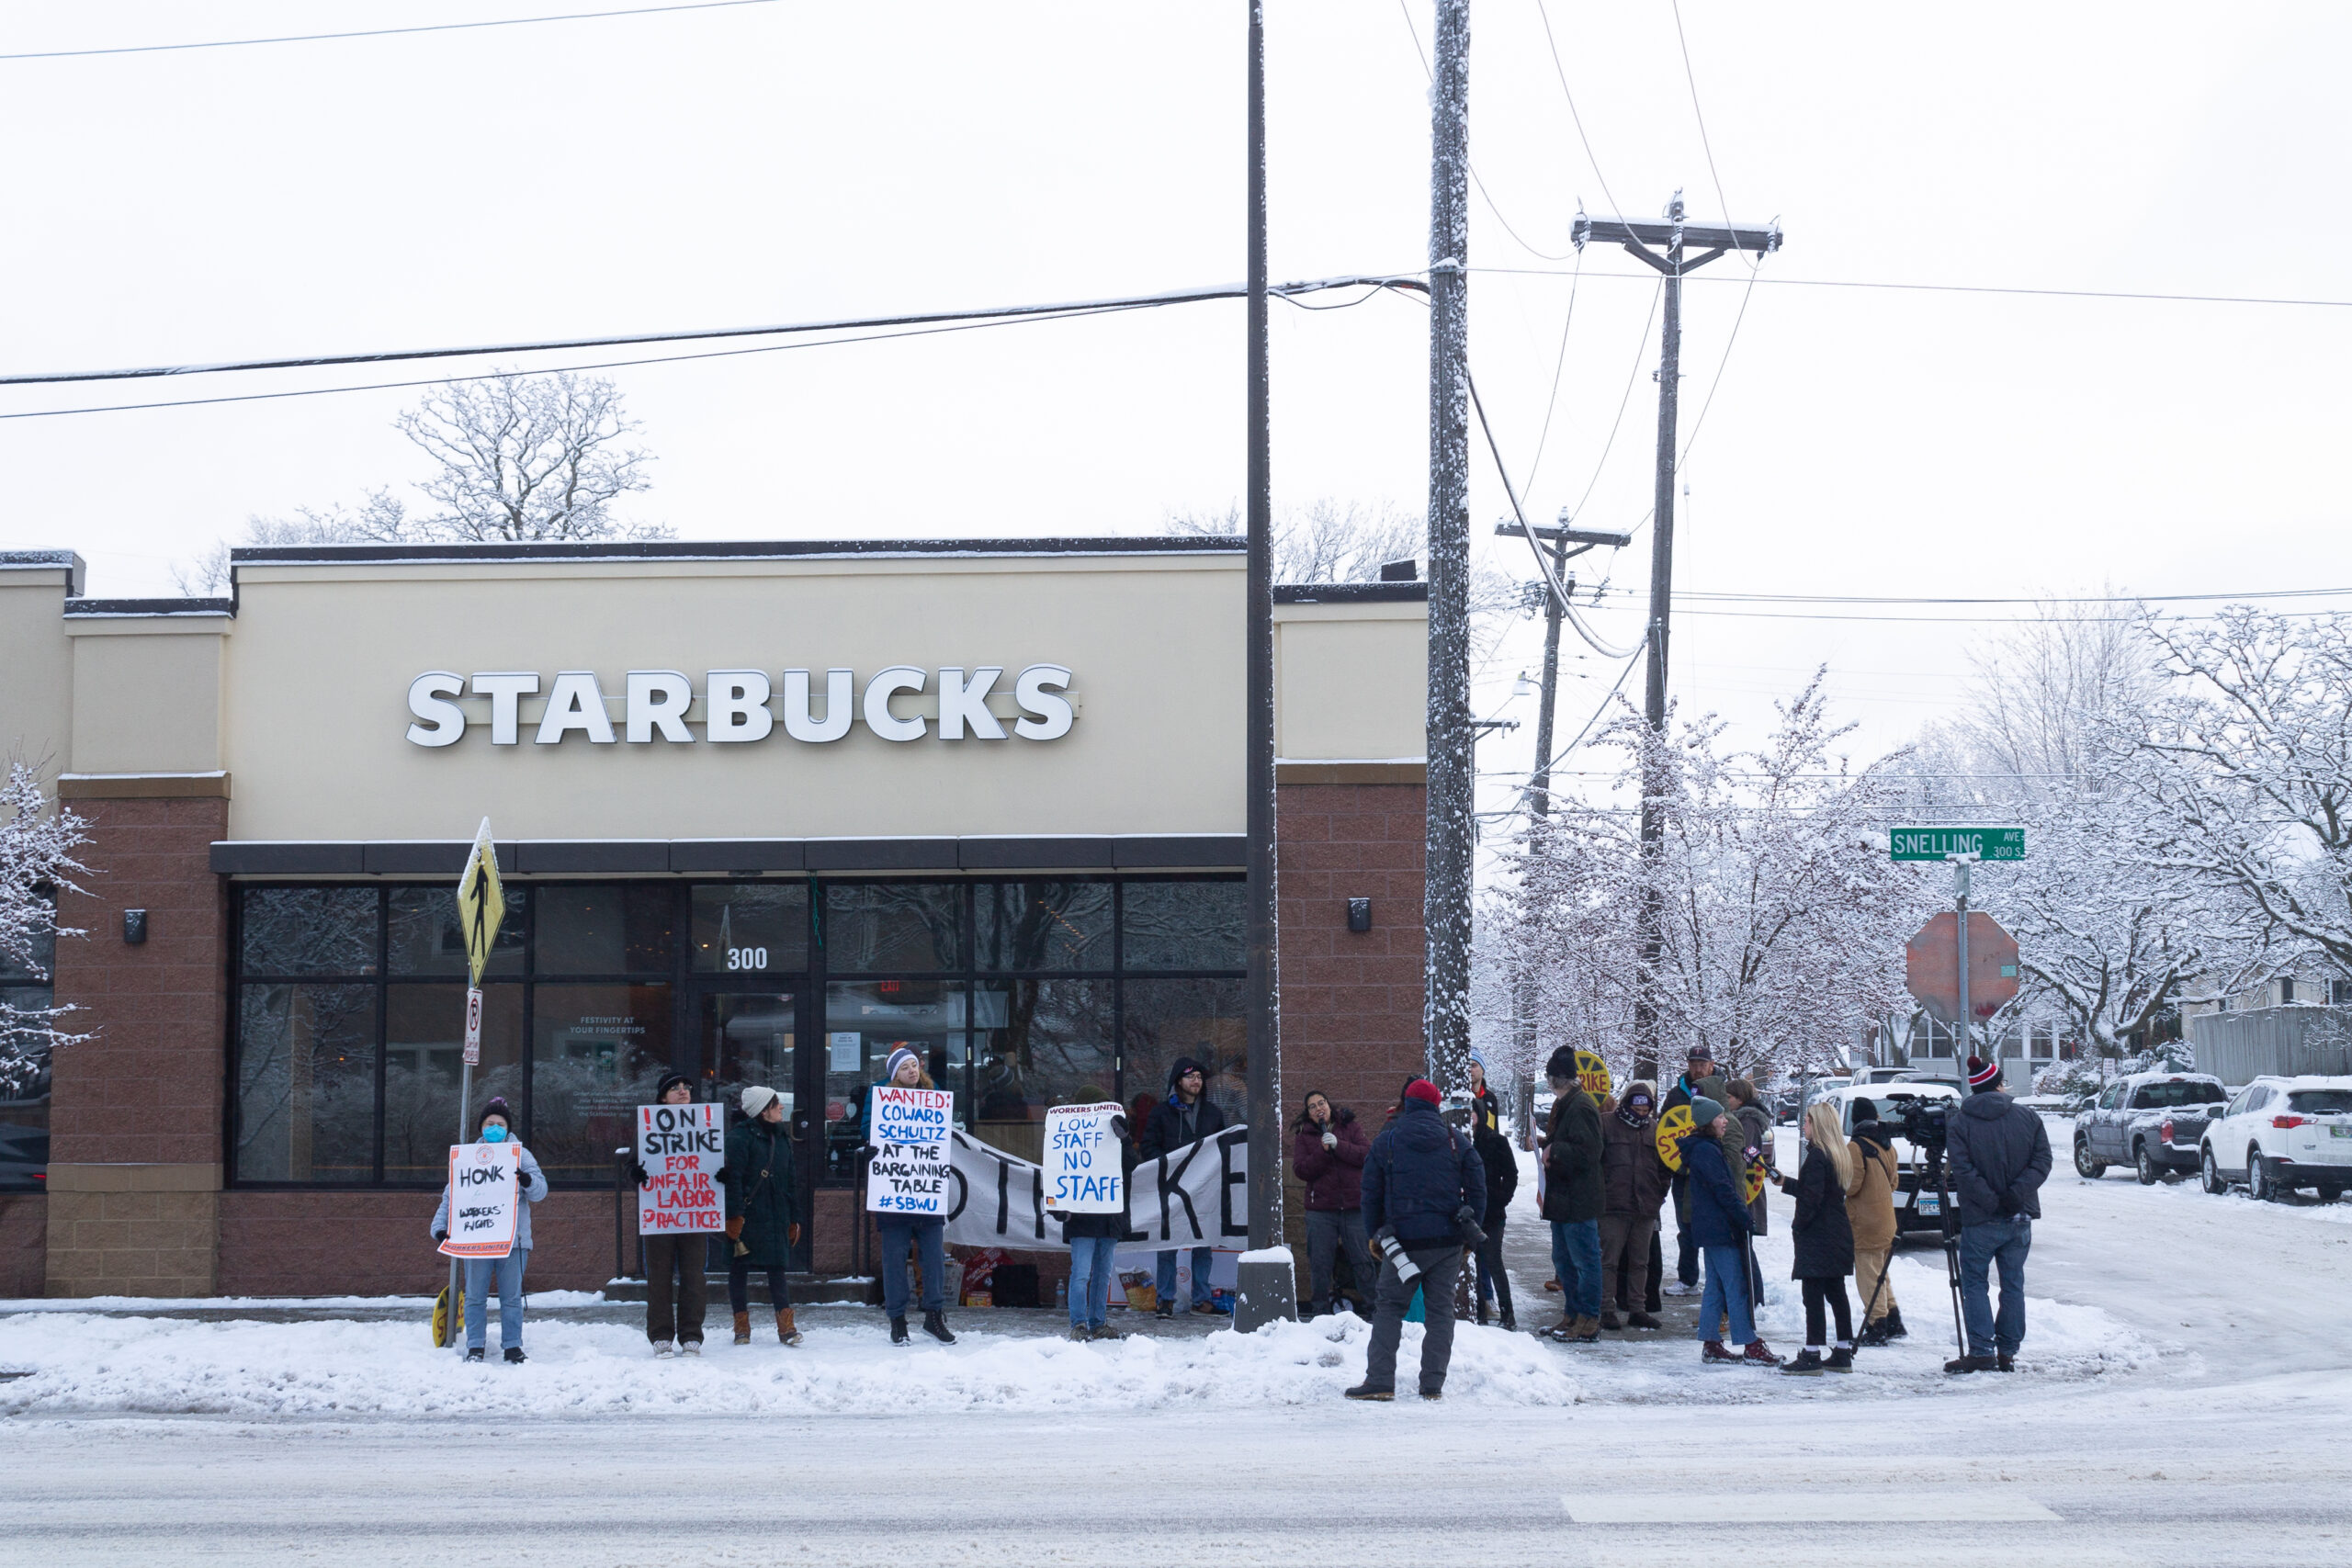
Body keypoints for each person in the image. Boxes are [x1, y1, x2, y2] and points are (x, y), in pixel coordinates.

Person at [1347, 1078, 1485, 1401]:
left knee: (1389, 1309)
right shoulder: (1455, 1139)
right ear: (1436, 1104)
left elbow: (1369, 1192)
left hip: (1402, 1244)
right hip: (1447, 1241)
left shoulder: (1388, 1140)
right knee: (1440, 1313)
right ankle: (1432, 1385)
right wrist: (1471, 1225)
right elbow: (1478, 1184)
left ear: (1406, 1103)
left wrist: (1375, 1234)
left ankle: (1380, 1381)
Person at [1946, 1055, 2052, 1373]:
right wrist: (2015, 1195)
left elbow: (1963, 1171)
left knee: (1975, 1283)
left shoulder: (1960, 1123)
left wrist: (1991, 1201)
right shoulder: (2028, 1117)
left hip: (1980, 1219)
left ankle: (1981, 1349)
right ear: (1999, 1084)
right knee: (2013, 1283)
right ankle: (2008, 1350)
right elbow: (2042, 1162)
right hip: (2019, 1218)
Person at [429, 1097, 545, 1364]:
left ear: (508, 1128)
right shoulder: (469, 1156)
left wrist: (526, 1180)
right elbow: (453, 1195)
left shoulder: (521, 1155)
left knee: (511, 1298)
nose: (494, 1128)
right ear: (481, 1127)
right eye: (490, 1123)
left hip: (512, 1241)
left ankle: (513, 1345)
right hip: (477, 1240)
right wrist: (440, 1227)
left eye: (500, 1124)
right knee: (475, 1297)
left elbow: (540, 1191)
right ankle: (475, 1346)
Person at [857, 1048, 956, 1346]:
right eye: (905, 1068)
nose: (912, 1071)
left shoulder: (934, 1095)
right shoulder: (881, 1097)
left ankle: (934, 1315)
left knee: (935, 1257)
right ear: (895, 1075)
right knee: (894, 1257)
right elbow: (866, 1127)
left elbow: (944, 1132)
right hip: (895, 1191)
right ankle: (897, 1319)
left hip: (925, 1191)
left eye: (915, 1065)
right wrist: (871, 1143)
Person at [1682, 1096, 1780, 1367]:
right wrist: (1743, 1216)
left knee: (1715, 1287)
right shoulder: (1707, 1151)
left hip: (1711, 1228)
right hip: (1720, 1228)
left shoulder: (1706, 1147)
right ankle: (1750, 1343)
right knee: (1737, 1286)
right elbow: (1723, 1189)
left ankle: (1711, 1342)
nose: (1726, 1120)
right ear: (1707, 1123)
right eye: (1720, 1117)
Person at [1137, 1055, 1227, 1318]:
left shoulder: (1213, 1114)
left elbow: (1223, 1148)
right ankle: (1165, 1299)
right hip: (1171, 1188)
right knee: (1167, 1243)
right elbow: (1148, 1146)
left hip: (1204, 1190)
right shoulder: (1160, 1112)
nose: (1196, 1081)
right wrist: (1168, 1165)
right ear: (1178, 1081)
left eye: (1199, 1077)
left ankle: (1202, 1299)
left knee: (1204, 1242)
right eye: (1191, 1077)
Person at [628, 1071, 711, 1356]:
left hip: (694, 1212)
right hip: (660, 1211)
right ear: (663, 1097)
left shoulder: (704, 1124)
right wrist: (635, 1171)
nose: (682, 1091)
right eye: (674, 1088)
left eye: (686, 1086)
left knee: (693, 1276)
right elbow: (633, 1162)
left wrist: (721, 1174)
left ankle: (691, 1334)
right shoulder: (648, 1127)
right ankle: (661, 1335)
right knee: (659, 1276)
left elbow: (712, 1162)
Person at [1773, 1101, 1857, 1374]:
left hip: (1818, 1236)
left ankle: (1811, 1354)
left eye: (1807, 1121)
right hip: (1837, 1233)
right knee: (1836, 1292)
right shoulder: (1837, 1154)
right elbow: (1820, 1191)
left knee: (1813, 1295)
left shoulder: (1817, 1156)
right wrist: (1786, 1183)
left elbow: (1812, 1199)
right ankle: (1843, 1351)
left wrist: (1799, 1226)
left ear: (1817, 1124)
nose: (1803, 1126)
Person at [722, 1083, 803, 1347]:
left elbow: (791, 1180)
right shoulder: (738, 1138)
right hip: (748, 1215)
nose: (781, 1107)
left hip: (777, 1212)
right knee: (739, 1269)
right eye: (775, 1103)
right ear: (762, 1111)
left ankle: (786, 1327)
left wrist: (794, 1217)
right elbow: (733, 1180)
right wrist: (734, 1215)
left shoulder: (781, 1136)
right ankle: (741, 1327)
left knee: (777, 1268)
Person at [1536, 1046, 1604, 1344]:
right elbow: (1570, 1142)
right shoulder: (1568, 1104)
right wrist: (1544, 1142)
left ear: (1554, 1079)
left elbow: (1590, 1151)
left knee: (1584, 1263)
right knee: (1564, 1262)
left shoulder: (1580, 1106)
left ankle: (1589, 1320)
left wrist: (1555, 1149)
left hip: (1578, 1200)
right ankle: (1573, 1315)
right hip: (1564, 1199)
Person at [1293, 1089, 1372, 1318]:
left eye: (1322, 1103)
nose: (1319, 1109)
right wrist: (1323, 1151)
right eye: (1313, 1106)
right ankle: (1320, 1312)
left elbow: (1366, 1155)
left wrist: (1339, 1145)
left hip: (1353, 1207)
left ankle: (1373, 1308)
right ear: (1308, 1113)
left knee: (1362, 1259)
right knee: (1320, 1262)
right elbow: (1301, 1170)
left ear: (1329, 1105)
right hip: (1321, 1210)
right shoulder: (1303, 1135)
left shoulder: (1350, 1126)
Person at [1598, 1080, 1668, 1331]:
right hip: (1613, 1206)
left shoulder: (1655, 1130)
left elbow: (1665, 1166)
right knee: (1609, 1261)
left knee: (1641, 1262)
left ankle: (1637, 1309)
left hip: (1645, 1207)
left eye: (1645, 1108)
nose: (1641, 1113)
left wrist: (1659, 1194)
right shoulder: (1607, 1124)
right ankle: (1606, 1309)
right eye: (1637, 1107)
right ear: (1627, 1103)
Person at [1064, 1111, 1136, 1341]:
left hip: (1106, 1218)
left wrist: (1125, 1139)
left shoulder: (1116, 1143)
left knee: (1100, 1275)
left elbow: (1131, 1165)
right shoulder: (1072, 1147)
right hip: (1083, 1218)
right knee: (1083, 1274)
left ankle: (1096, 1323)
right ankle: (1079, 1324)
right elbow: (1059, 1172)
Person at [1844, 1097, 1907, 1345]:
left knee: (1869, 1277)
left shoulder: (1855, 1148)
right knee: (1881, 1273)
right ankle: (1894, 1320)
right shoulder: (1888, 1146)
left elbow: (1851, 1187)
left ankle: (1876, 1325)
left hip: (1865, 1223)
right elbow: (1894, 1183)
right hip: (1886, 1220)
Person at [1659, 1046, 1715, 1295]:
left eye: (1702, 1063)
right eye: (1693, 1063)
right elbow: (1663, 1129)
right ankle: (1688, 1278)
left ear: (1711, 1065)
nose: (1697, 1068)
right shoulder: (1675, 1095)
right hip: (1682, 1172)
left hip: (1712, 1171)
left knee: (1716, 1226)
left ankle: (1718, 1280)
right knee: (1686, 1226)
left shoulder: (1721, 1091)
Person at [1467, 1089, 1519, 1330]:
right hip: (1468, 1213)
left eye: (1472, 1112)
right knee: (1472, 1263)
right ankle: (1479, 1313)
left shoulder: (1496, 1141)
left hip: (1492, 1212)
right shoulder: (1460, 1141)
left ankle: (1508, 1314)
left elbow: (1511, 1173)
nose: (1469, 1116)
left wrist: (1501, 1199)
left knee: (1493, 1261)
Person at [1726, 1077, 1773, 1306]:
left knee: (1744, 1248)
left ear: (1740, 1099)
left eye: (1729, 1097)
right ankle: (1753, 1297)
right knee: (1743, 1248)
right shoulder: (1745, 1119)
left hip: (1747, 1192)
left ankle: (1755, 1298)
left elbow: (1744, 1156)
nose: (1726, 1101)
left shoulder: (1747, 1122)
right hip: (1747, 1191)